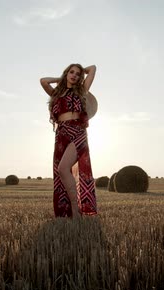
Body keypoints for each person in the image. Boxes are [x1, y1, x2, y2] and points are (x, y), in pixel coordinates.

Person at [40, 64, 98, 218]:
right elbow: (43, 81)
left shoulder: (81, 90)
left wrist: (81, 72)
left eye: (78, 74)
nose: (75, 75)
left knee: (63, 168)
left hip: (77, 132)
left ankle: (75, 209)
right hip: (61, 135)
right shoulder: (56, 94)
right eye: (71, 72)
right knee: (61, 174)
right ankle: (69, 211)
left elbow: (93, 68)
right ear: (66, 73)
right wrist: (61, 79)